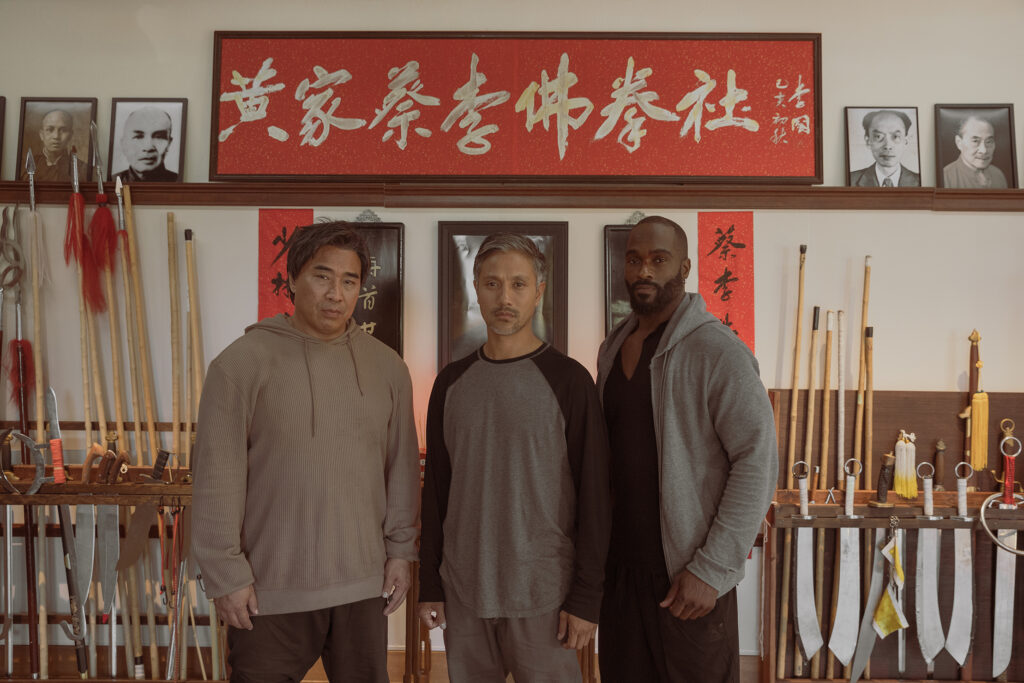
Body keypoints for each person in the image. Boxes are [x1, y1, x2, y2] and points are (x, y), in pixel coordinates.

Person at [191, 221, 420, 683]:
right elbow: (218, 478)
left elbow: (400, 469)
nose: (336, 293)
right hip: (269, 590)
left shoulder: (388, 367)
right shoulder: (239, 364)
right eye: (322, 276)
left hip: (362, 585)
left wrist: (401, 551)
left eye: (349, 280)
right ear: (293, 279)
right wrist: (226, 574)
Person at [418, 233, 611, 682]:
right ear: (475, 287)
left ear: (538, 290)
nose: (505, 297)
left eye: (519, 284)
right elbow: (437, 493)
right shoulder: (450, 383)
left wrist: (586, 598)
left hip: (544, 593)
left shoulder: (569, 381)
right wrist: (431, 585)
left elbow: (596, 497)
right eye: (492, 284)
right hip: (465, 589)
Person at [596, 216, 777, 683]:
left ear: (686, 267)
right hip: (621, 575)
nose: (644, 272)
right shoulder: (612, 349)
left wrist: (712, 568)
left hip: (688, 577)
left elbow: (757, 461)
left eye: (659, 259)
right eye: (634, 260)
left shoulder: (718, 352)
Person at [849, 110, 920, 187]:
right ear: (868, 141)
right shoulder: (851, 180)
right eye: (878, 136)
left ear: (906, 141)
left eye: (895, 136)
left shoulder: (920, 181)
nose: (887, 146)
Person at [114, 106, 179, 182]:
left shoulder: (178, 182)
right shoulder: (112, 181)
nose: (148, 147)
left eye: (158, 137)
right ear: (124, 144)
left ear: (169, 143)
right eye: (138, 137)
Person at [942, 115, 1009, 188]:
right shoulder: (945, 177)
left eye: (989, 142)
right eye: (975, 141)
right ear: (959, 142)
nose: (984, 150)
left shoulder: (998, 175)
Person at [21, 108, 87, 182]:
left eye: (63, 130)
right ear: (41, 135)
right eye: (50, 129)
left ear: (71, 135)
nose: (56, 136)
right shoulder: (26, 167)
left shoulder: (82, 169)